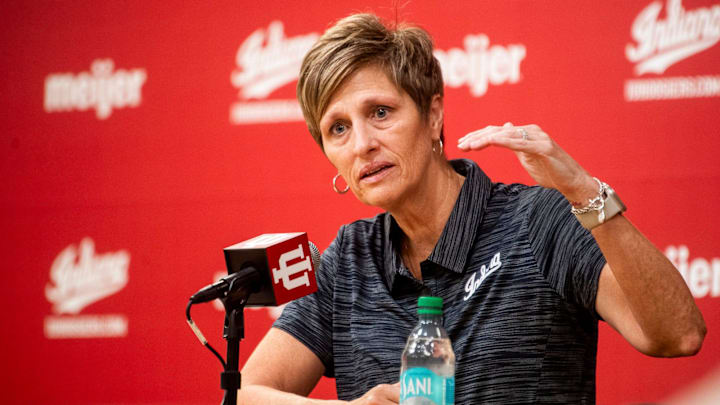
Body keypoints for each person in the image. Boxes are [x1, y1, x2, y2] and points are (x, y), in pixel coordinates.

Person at [238, 13, 706, 404]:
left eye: (380, 112)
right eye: (337, 128)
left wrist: (583, 191)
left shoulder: (537, 221)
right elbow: (249, 392)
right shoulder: (350, 259)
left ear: (433, 113)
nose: (362, 144)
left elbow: (677, 335)